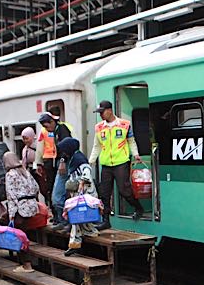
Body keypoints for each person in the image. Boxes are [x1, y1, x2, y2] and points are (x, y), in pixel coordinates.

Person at [88, 100, 145, 230]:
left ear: (109, 110)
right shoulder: (99, 127)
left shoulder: (124, 125)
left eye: (102, 112)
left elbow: (131, 141)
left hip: (121, 162)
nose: (101, 115)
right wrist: (91, 161)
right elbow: (96, 146)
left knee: (124, 190)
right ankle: (106, 220)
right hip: (106, 164)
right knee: (104, 192)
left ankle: (138, 207)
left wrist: (135, 154)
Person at [60, 139, 100, 257]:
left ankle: (74, 244)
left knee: (76, 219)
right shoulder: (74, 157)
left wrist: (82, 182)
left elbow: (87, 170)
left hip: (85, 193)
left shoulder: (79, 158)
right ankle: (91, 231)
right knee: (81, 217)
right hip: (81, 193)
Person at [3, 151, 38, 273]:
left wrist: (11, 215)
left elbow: (11, 196)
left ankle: (26, 265)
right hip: (31, 207)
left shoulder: (10, 175)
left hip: (20, 209)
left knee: (20, 237)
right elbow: (36, 188)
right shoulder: (25, 172)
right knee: (29, 235)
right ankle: (31, 262)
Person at [34, 112, 72, 208]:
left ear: (52, 122)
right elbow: (39, 148)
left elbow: (68, 145)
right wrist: (38, 163)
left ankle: (61, 215)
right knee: (51, 188)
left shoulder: (63, 129)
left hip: (60, 161)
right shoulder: (50, 131)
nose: (46, 129)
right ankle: (57, 215)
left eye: (46, 126)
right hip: (51, 161)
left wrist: (63, 160)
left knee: (58, 190)